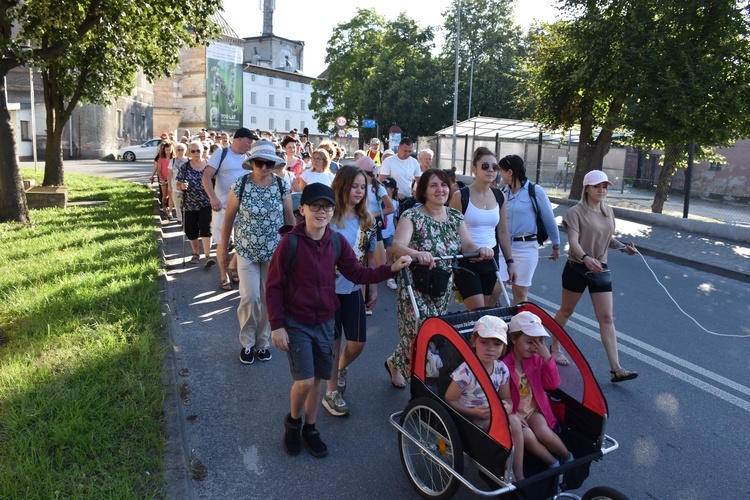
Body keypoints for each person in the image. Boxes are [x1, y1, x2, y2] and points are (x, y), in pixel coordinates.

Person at [267, 183, 411, 458]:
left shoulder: (336, 241)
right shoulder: (290, 243)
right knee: (305, 380)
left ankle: (311, 428)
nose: (321, 212)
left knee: (319, 378)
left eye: (327, 207)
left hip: (325, 321)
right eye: (315, 206)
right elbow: (273, 286)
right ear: (302, 210)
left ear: (333, 211)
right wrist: (276, 325)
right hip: (296, 322)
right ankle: (293, 422)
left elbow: (357, 273)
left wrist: (390, 269)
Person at [385, 169, 494, 388]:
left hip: (441, 286)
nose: (440, 190)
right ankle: (423, 389)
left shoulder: (455, 217)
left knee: (432, 334)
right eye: (433, 185)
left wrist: (481, 250)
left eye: (444, 185)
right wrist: (416, 254)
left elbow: (468, 245)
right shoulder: (412, 216)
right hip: (415, 286)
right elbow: (397, 246)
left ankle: (395, 362)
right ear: (423, 190)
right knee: (417, 334)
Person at [550, 170, 639, 381]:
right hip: (577, 267)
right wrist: (586, 258)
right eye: (597, 186)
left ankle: (616, 369)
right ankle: (554, 348)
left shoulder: (608, 212)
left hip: (601, 269)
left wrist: (624, 248)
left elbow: (608, 239)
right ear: (587, 189)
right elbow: (574, 243)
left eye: (605, 187)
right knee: (566, 310)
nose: (601, 190)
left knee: (607, 317)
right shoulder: (576, 212)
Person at [218, 140, 295, 365]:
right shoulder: (240, 184)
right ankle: (247, 343)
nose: (263, 167)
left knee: (267, 298)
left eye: (268, 163)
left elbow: (289, 218)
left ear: (274, 164)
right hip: (246, 250)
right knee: (250, 297)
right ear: (251, 163)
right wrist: (223, 249)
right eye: (259, 162)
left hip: (274, 252)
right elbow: (229, 219)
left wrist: (294, 249)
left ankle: (262, 343)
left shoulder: (282, 185)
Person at [321, 165, 381, 417]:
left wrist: (373, 288)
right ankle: (331, 392)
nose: (358, 191)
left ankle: (340, 368)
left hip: (354, 288)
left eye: (363, 187)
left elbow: (370, 257)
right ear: (342, 185)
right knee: (333, 344)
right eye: (354, 186)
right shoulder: (328, 217)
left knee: (357, 343)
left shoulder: (367, 220)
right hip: (327, 291)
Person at [504, 311, 574, 480]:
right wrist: (510, 414)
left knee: (542, 431)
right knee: (527, 436)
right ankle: (553, 463)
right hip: (516, 414)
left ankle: (568, 457)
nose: (535, 347)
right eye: (529, 342)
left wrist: (547, 357)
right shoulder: (505, 364)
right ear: (513, 339)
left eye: (540, 342)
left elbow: (552, 384)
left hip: (534, 410)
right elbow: (500, 395)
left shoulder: (537, 359)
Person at [451, 147, 516, 310]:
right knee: (478, 311)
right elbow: (451, 233)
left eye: (495, 167)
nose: (491, 170)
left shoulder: (499, 196)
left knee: (485, 312)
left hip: (490, 260)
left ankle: (474, 336)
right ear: (474, 169)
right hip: (466, 260)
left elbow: (502, 232)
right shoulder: (460, 196)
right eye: (485, 166)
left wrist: (510, 262)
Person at [498, 154, 561, 305]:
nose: (499, 174)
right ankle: (493, 326)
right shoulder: (502, 192)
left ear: (510, 172)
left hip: (526, 247)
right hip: (504, 248)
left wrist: (556, 244)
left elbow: (548, 219)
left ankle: (518, 327)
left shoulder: (535, 190)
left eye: (501, 170)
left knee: (519, 293)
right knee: (495, 288)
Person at [203, 127, 259, 290]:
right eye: (249, 142)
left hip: (244, 209)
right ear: (239, 139)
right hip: (223, 207)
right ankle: (223, 275)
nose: (250, 146)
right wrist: (213, 198)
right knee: (223, 243)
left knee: (243, 242)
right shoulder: (221, 153)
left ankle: (232, 267)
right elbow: (206, 176)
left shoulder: (249, 158)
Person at [445, 315, 512, 432]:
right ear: (473, 342)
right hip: (467, 417)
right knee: (505, 425)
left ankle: (517, 451)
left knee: (514, 423)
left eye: (497, 344)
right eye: (484, 342)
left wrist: (508, 407)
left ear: (504, 347)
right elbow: (449, 400)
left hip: (492, 413)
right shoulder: (465, 372)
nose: (490, 348)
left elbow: (506, 397)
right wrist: (472, 412)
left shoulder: (502, 369)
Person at [176, 141, 213, 265]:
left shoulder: (210, 166)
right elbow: (177, 184)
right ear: (189, 153)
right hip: (189, 203)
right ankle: (196, 254)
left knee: (206, 228)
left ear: (203, 151)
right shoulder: (185, 167)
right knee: (191, 230)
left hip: (206, 202)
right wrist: (181, 186)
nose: (196, 153)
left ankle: (207, 256)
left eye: (199, 150)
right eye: (193, 151)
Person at [380, 177, 399, 290]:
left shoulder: (396, 203)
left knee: (390, 254)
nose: (383, 189)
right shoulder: (378, 202)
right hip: (379, 232)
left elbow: (395, 218)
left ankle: (389, 277)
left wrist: (397, 231)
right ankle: (379, 272)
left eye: (385, 187)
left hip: (390, 231)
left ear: (392, 189)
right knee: (378, 256)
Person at [150, 141, 174, 219]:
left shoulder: (173, 159)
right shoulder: (161, 158)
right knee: (165, 195)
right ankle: (163, 206)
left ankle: (169, 210)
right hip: (163, 178)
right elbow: (159, 170)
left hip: (171, 179)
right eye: (166, 150)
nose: (168, 152)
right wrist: (162, 179)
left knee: (170, 195)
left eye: (169, 150)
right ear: (164, 150)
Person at [168, 143, 189, 223]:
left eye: (182, 150)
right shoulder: (172, 161)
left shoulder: (188, 160)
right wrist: (169, 186)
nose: (180, 151)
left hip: (187, 186)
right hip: (175, 186)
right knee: (177, 203)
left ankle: (186, 218)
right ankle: (179, 218)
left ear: (185, 151)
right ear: (176, 151)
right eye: (178, 150)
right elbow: (169, 174)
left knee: (187, 203)